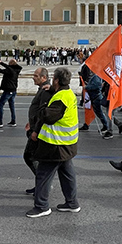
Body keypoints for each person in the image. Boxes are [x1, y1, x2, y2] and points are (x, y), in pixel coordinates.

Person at [26, 67, 80, 217]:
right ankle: (72, 202)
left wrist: (44, 105)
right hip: (67, 143)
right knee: (67, 173)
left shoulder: (60, 98)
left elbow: (48, 116)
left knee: (43, 174)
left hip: (55, 144)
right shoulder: (68, 93)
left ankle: (42, 206)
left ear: (56, 80)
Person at [23, 67, 51, 195]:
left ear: (43, 78)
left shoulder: (46, 91)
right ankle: (41, 185)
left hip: (37, 131)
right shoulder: (43, 89)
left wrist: (35, 130)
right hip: (34, 127)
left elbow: (43, 113)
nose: (33, 77)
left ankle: (43, 186)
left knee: (29, 157)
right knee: (35, 158)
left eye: (35, 76)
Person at [0, 58, 22, 128]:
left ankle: (0, 122)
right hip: (13, 90)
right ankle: (13, 121)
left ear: (11, 64)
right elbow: (6, 67)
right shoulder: (16, 69)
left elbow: (0, 70)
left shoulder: (10, 70)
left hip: (8, 90)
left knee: (0, 105)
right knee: (12, 106)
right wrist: (0, 62)